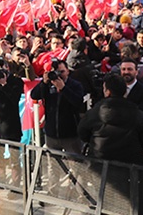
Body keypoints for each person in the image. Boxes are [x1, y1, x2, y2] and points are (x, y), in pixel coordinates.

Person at [78, 74, 143, 215]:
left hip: (101, 167)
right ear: (124, 92)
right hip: (130, 170)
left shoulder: (94, 112)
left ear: (107, 91)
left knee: (105, 204)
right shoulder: (137, 113)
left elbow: (82, 133)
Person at [30, 60, 85, 195]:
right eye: (56, 72)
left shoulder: (75, 85)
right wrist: (44, 82)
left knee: (76, 165)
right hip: (51, 133)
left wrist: (64, 88)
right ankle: (53, 190)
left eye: (62, 72)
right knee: (53, 165)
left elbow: (78, 102)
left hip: (70, 134)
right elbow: (34, 95)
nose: (59, 75)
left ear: (68, 71)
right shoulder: (48, 85)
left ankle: (80, 193)